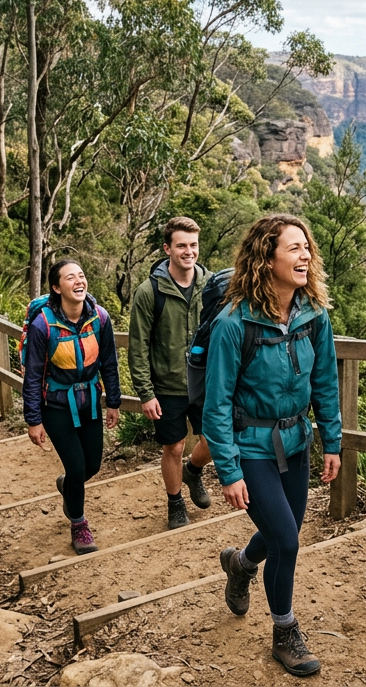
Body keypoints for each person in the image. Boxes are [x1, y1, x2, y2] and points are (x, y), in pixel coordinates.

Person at [206, 215, 343, 677]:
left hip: (297, 442)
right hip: (252, 447)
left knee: (282, 532)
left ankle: (241, 564)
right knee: (286, 539)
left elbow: (325, 381)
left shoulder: (313, 316)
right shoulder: (233, 324)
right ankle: (285, 632)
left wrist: (332, 440)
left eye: (307, 247)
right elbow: (217, 404)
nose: (305, 255)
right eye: (294, 248)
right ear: (267, 258)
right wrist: (229, 470)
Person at [23, 259, 122, 555]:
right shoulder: (44, 325)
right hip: (56, 406)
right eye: (70, 278)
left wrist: (113, 402)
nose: (79, 281)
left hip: (90, 400)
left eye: (81, 275)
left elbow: (109, 363)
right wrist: (33, 419)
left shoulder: (100, 318)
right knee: (77, 467)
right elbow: (33, 374)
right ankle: (79, 525)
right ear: (57, 288)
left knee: (92, 465)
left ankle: (68, 485)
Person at [128, 216, 215, 529]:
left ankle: (193, 471)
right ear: (167, 249)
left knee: (217, 438)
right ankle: (175, 502)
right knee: (174, 446)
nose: (188, 251)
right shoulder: (149, 292)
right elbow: (137, 346)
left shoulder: (213, 286)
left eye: (193, 245)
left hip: (207, 380)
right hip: (168, 383)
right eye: (181, 245)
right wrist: (145, 393)